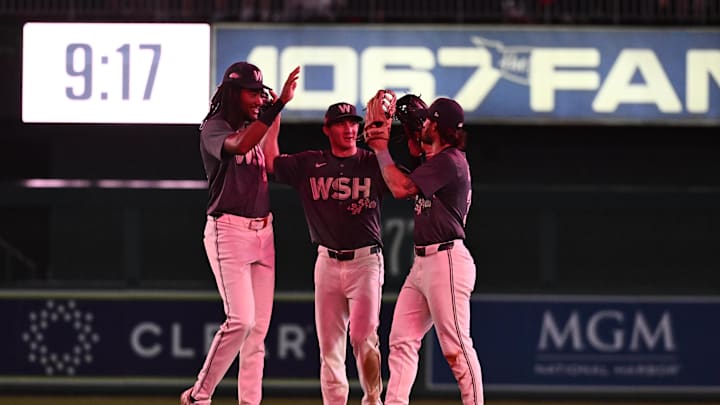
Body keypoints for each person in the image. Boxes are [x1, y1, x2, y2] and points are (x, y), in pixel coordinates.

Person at [181, 62, 300, 405]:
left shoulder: (257, 124)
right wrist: (275, 108)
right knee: (241, 320)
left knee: (258, 331)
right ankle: (199, 396)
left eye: (261, 92)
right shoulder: (213, 128)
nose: (258, 98)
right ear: (233, 93)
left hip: (264, 231)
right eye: (252, 92)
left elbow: (272, 160)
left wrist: (274, 118)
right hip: (228, 230)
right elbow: (242, 146)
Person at [364, 97, 484, 405]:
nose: (423, 125)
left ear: (441, 128)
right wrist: (405, 118)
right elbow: (420, 148)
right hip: (423, 264)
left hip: (447, 261)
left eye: (429, 121)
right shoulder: (437, 158)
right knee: (402, 339)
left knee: (456, 348)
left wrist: (380, 147)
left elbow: (401, 188)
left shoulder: (450, 160)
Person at [272, 102, 387, 405]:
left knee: (364, 338)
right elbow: (271, 162)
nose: (349, 129)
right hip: (327, 261)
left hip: (366, 261)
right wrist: (275, 113)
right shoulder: (311, 163)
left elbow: (404, 185)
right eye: (341, 123)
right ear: (327, 129)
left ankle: (373, 398)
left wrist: (385, 144)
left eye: (353, 123)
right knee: (330, 349)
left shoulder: (371, 163)